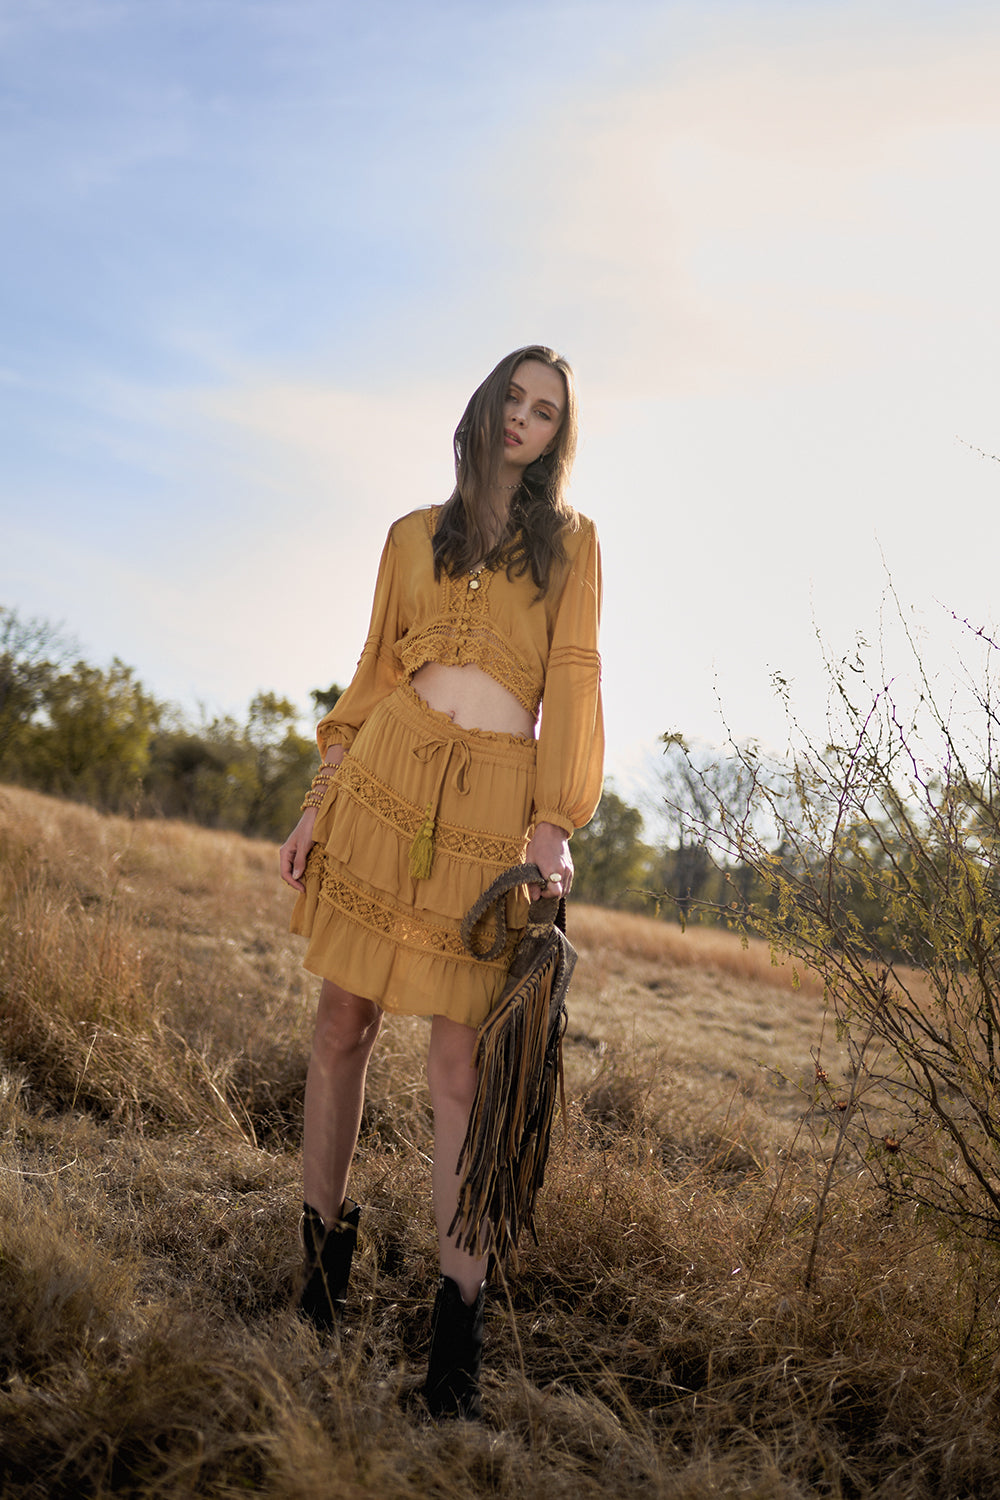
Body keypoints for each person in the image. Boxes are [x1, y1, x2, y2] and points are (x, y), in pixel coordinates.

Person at [279, 344, 603, 1419]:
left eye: (544, 410)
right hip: (382, 783)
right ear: (483, 406)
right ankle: (320, 1266)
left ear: (561, 434)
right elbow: (374, 673)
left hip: (486, 815)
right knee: (341, 1021)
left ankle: (453, 1331)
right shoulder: (410, 536)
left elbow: (572, 680)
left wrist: (552, 827)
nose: (522, 419)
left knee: (459, 1064)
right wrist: (321, 796)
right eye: (511, 398)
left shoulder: (573, 547)